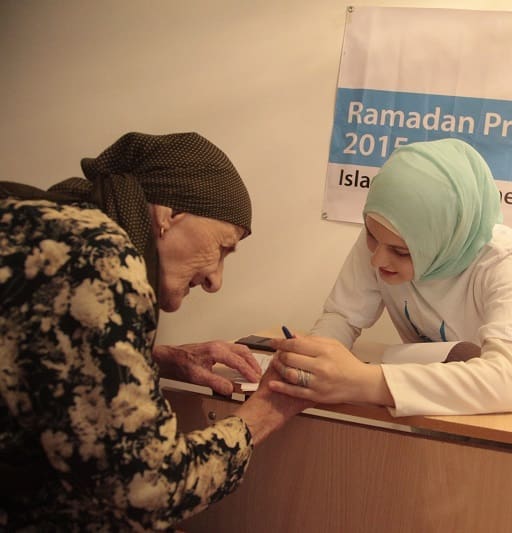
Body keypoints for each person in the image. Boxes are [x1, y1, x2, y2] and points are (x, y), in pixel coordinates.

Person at [0, 132, 313, 530]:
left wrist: (153, 359)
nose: (215, 280)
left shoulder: (46, 225)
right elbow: (150, 488)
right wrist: (265, 412)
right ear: (168, 214)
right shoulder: (100, 256)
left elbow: (35, 362)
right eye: (222, 247)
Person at [269, 138, 512, 417]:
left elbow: (504, 383)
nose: (378, 260)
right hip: (432, 393)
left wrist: (361, 381)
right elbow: (343, 316)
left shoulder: (501, 258)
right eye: (371, 236)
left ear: (443, 239)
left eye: (401, 252)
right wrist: (310, 361)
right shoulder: (385, 234)